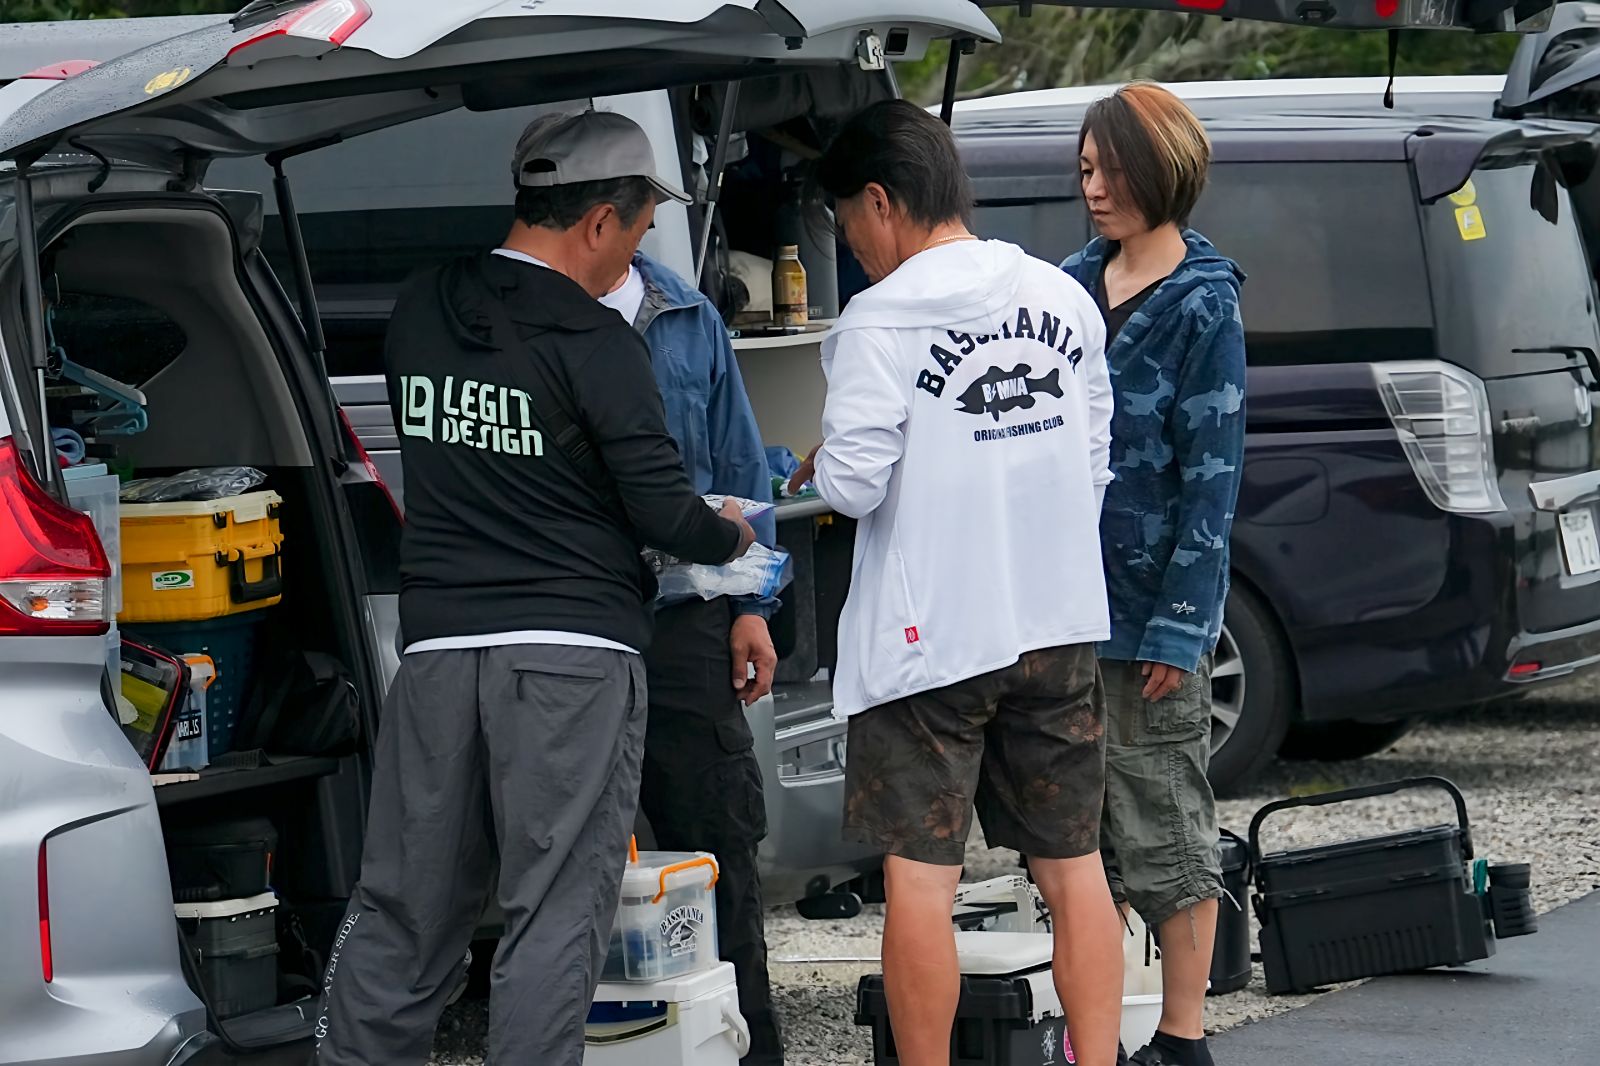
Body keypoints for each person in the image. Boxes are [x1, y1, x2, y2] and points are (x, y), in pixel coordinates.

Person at [314, 110, 757, 1066]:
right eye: (637, 233)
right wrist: (731, 529)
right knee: (553, 915)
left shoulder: (425, 308)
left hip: (439, 655)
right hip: (571, 660)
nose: (634, 257)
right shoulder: (599, 344)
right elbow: (665, 513)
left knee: (404, 911)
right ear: (598, 221)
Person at [789, 99, 1122, 1066]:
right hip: (1055, 622)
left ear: (880, 201)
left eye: (846, 220)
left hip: (929, 640)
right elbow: (1094, 459)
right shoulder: (1062, 297)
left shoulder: (879, 320)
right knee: (1074, 868)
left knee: (922, 881)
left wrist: (818, 465)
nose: (852, 245)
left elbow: (855, 484)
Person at [1061, 82, 1247, 1066]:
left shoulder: (1203, 304)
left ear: (1161, 171)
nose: (1094, 188)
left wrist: (1182, 626)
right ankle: (1098, 1031)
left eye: (1112, 170)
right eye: (1086, 170)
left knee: (1166, 823)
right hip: (1061, 609)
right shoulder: (1065, 285)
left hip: (1148, 617)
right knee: (1078, 832)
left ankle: (1182, 1036)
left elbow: (1213, 484)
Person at [596, 250, 784, 1064]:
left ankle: (750, 1051)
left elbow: (740, 465)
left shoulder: (683, 312)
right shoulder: (531, 308)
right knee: (574, 865)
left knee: (719, 852)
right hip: (576, 623)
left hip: (686, 622)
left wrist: (750, 607)